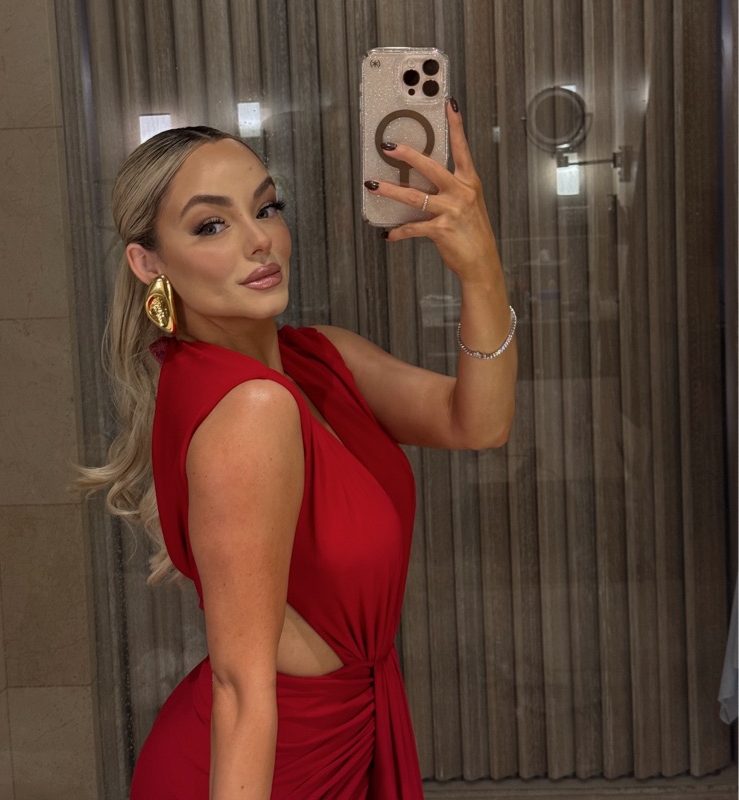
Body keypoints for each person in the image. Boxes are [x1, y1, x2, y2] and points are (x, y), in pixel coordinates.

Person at [80, 98, 517, 799]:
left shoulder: (317, 360)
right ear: (148, 262)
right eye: (212, 224)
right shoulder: (252, 407)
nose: (259, 240)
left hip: (342, 729)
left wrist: (480, 268)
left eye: (267, 208)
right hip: (284, 762)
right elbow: (239, 686)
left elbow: (478, 423)